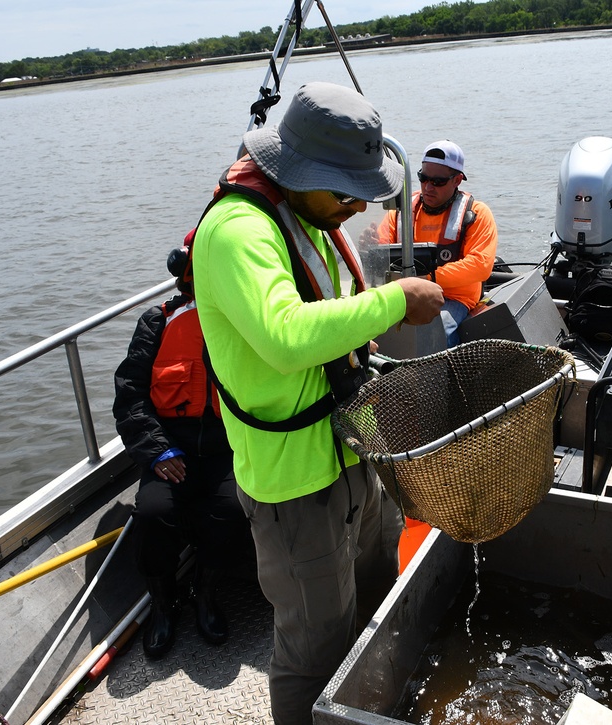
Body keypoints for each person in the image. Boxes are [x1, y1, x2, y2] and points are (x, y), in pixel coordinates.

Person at [189, 81, 444, 724]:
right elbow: (285, 336)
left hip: (350, 450)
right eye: (344, 190)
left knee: (379, 591)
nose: (357, 206)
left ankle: (374, 709)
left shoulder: (310, 215)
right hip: (294, 485)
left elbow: (339, 326)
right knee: (313, 645)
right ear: (293, 171)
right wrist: (394, 301)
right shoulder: (236, 231)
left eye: (364, 191)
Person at [112, 247, 253, 660]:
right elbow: (130, 398)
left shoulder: (247, 321)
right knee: (153, 514)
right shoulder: (156, 322)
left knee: (231, 510)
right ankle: (162, 603)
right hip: (169, 449)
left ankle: (205, 595)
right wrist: (157, 452)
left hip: (228, 449)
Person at [375, 140, 498, 347]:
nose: (428, 187)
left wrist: (429, 278)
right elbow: (381, 248)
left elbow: (480, 266)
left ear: (457, 180)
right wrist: (370, 245)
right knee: (374, 329)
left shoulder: (477, 214)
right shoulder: (402, 210)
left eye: (438, 181)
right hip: (403, 292)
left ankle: (440, 376)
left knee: (436, 333)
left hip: (453, 298)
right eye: (423, 178)